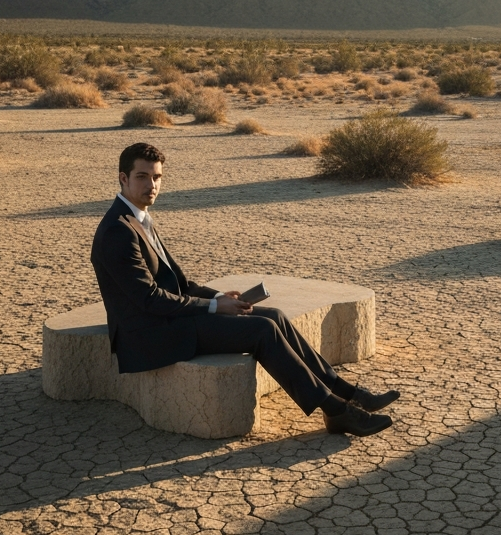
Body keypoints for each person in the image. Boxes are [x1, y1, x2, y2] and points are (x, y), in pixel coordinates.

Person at [90, 142, 398, 437]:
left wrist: (219, 298)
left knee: (273, 315)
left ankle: (349, 394)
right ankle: (334, 410)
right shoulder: (118, 230)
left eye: (157, 177)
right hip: (150, 334)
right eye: (143, 177)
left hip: (171, 319)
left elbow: (181, 285)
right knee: (261, 330)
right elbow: (149, 298)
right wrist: (213, 308)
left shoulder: (140, 218)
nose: (152, 185)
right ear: (123, 178)